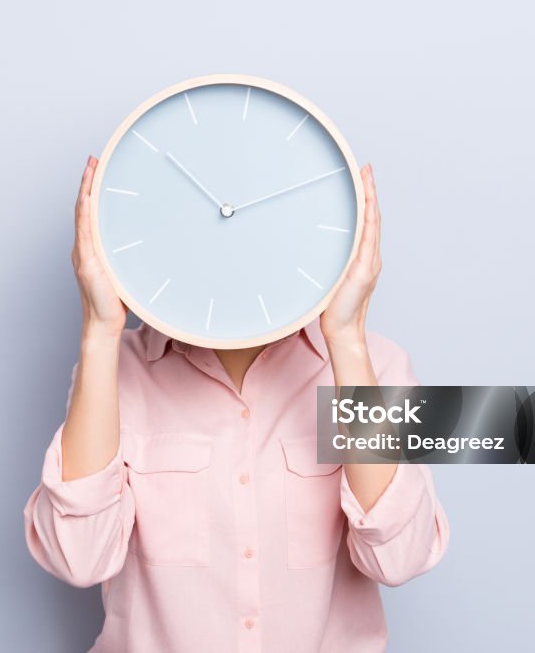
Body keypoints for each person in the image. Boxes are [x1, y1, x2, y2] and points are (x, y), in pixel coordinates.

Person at [23, 156, 450, 652]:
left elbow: (400, 558)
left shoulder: (376, 366)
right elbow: (80, 558)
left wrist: (347, 339)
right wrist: (98, 330)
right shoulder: (116, 372)